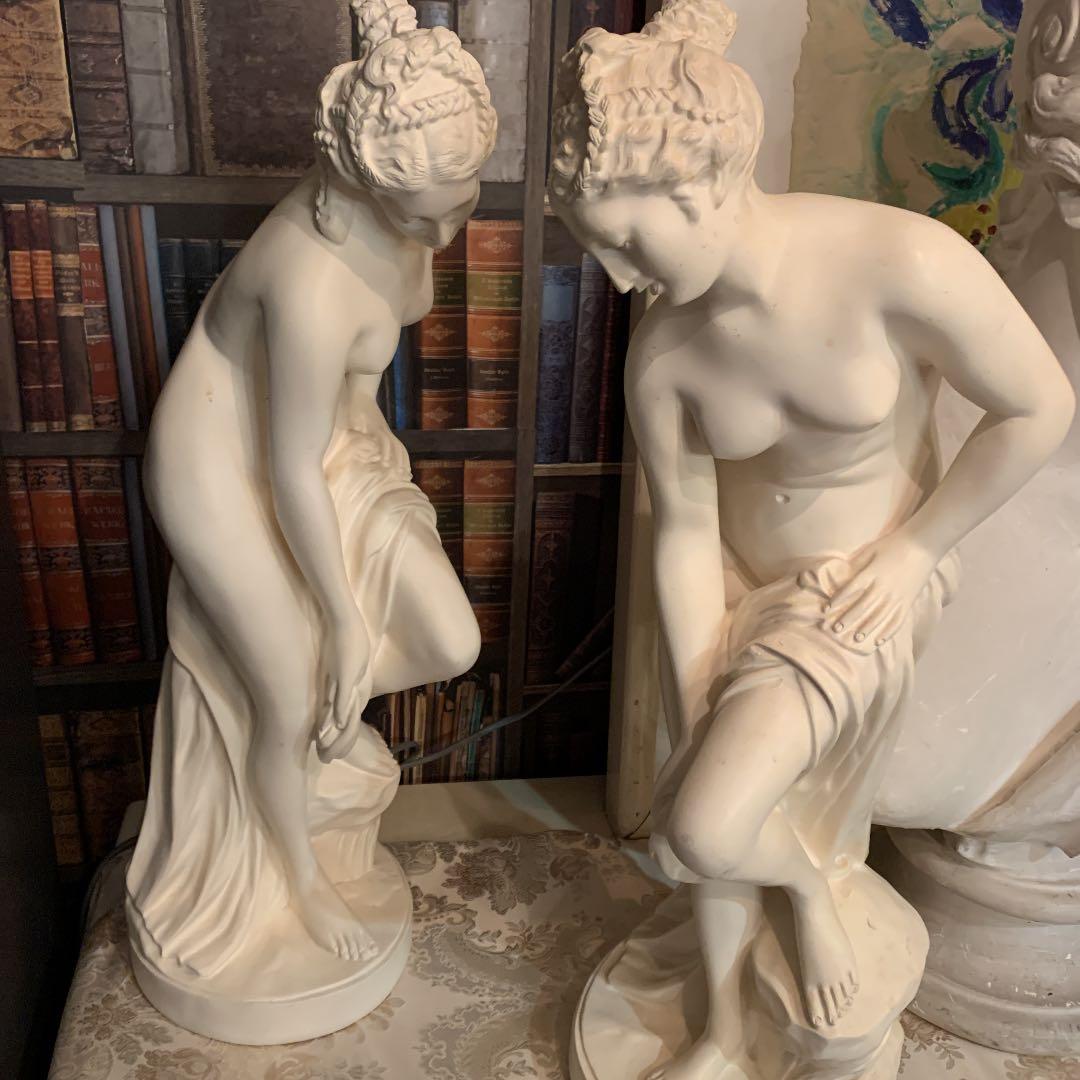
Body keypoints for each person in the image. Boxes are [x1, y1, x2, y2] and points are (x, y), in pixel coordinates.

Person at [548, 0, 1074, 1075]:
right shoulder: (664, 358)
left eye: (623, 239)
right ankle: (721, 1026)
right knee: (701, 800)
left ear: (694, 184)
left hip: (852, 594)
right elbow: (683, 530)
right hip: (730, 597)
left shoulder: (896, 262)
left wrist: (916, 551)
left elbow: (1038, 406)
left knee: (704, 829)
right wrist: (694, 677)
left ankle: (808, 894)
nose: (617, 275)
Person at [126, 0, 496, 973]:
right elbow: (285, 464)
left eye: (462, 204)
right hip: (220, 460)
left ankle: (282, 710)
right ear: (366, 183)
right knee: (293, 683)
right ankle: (294, 866)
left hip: (336, 436)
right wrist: (337, 618)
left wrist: (377, 491)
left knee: (452, 641)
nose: (445, 234)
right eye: (425, 216)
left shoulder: (406, 207)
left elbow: (348, 408)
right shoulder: (309, 280)